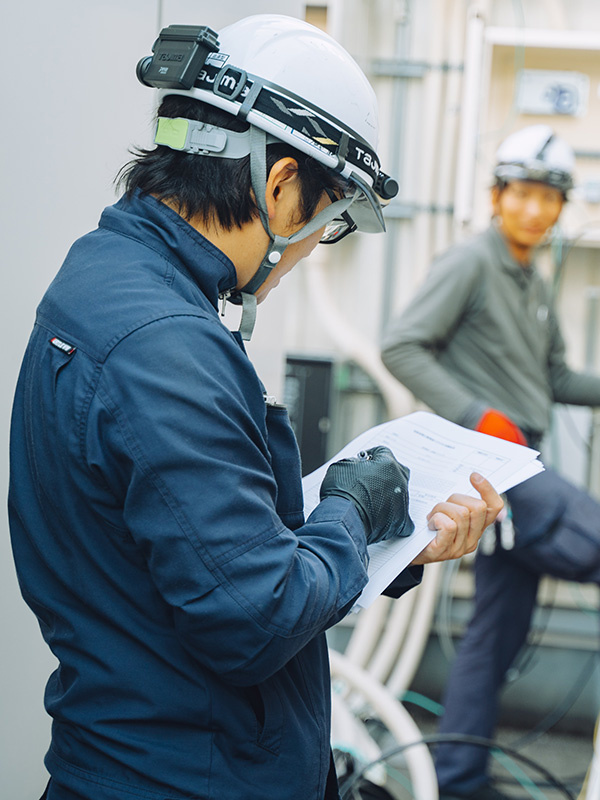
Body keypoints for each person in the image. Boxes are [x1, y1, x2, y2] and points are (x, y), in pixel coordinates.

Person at [8, 15, 503, 800]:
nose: (310, 246)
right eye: (325, 220)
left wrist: (394, 547)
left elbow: (191, 551)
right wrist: (351, 510)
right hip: (188, 778)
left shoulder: (104, 275)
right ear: (278, 184)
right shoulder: (166, 346)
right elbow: (254, 618)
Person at [381, 123, 600, 800]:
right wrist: (478, 416)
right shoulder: (471, 262)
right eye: (524, 194)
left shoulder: (530, 276)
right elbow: (402, 346)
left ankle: (457, 779)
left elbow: (556, 375)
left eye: (549, 198)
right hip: (502, 465)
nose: (536, 210)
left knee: (494, 636)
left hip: (518, 462)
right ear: (498, 195)